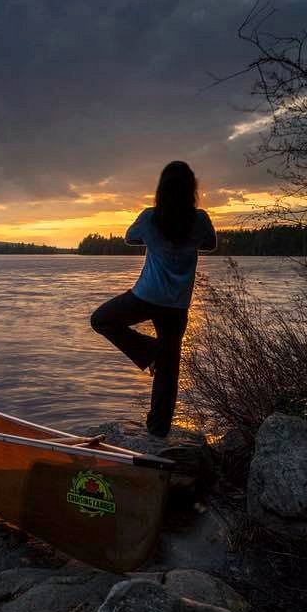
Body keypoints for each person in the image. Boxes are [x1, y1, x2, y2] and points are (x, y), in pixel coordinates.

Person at [90, 160, 216, 438]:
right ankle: (158, 430)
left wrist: (153, 239)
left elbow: (129, 238)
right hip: (178, 304)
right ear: (190, 190)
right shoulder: (200, 220)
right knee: (169, 368)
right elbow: (210, 244)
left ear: (161, 190)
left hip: (146, 296)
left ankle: (150, 352)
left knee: (102, 320)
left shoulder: (150, 218)